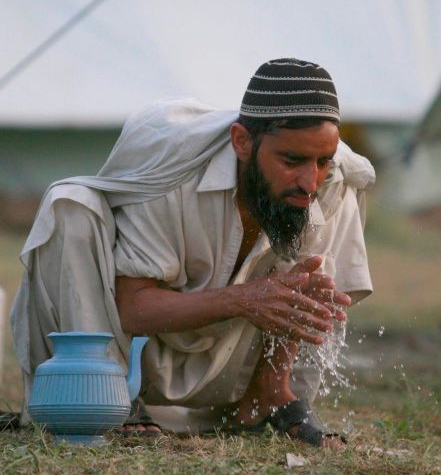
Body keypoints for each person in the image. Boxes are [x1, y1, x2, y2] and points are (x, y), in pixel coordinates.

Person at [10, 58, 375, 447]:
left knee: (338, 198)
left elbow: (305, 283)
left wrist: (270, 302)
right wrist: (243, 299)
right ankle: (110, 400)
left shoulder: (329, 179)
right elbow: (132, 306)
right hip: (132, 354)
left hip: (228, 370)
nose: (310, 180)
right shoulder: (174, 170)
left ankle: (267, 397)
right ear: (242, 142)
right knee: (70, 204)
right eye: (291, 161)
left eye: (322, 161)